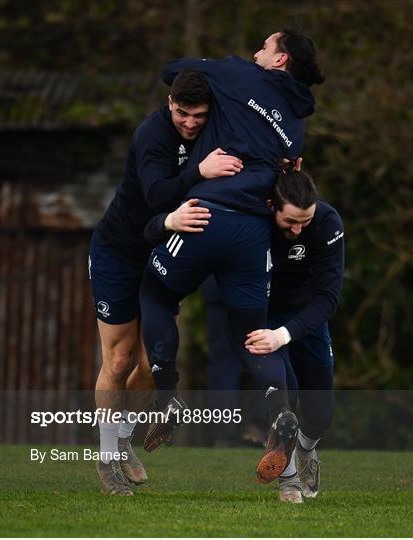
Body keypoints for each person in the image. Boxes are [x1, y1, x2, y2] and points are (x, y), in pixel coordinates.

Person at [139, 28, 325, 484]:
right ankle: (279, 410)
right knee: (251, 335)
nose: (256, 50)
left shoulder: (237, 75)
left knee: (155, 293)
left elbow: (173, 72)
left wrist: (215, 85)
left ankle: (167, 393)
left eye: (264, 45)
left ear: (279, 59)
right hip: (253, 234)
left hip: (206, 214)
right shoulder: (297, 127)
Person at [89, 70, 243, 495]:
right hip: (119, 252)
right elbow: (158, 196)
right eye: (182, 114)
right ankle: (106, 461)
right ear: (170, 104)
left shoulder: (216, 127)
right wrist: (200, 170)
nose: (191, 123)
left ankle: (122, 442)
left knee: (156, 363)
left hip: (160, 254)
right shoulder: (151, 136)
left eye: (199, 115)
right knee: (119, 361)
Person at [245, 169, 345, 503]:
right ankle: (288, 483)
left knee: (321, 414)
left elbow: (329, 298)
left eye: (306, 221)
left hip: (307, 319)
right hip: (265, 318)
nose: (298, 229)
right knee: (282, 406)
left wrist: (285, 335)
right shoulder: (253, 220)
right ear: (272, 206)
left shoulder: (329, 223)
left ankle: (305, 453)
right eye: (290, 221)